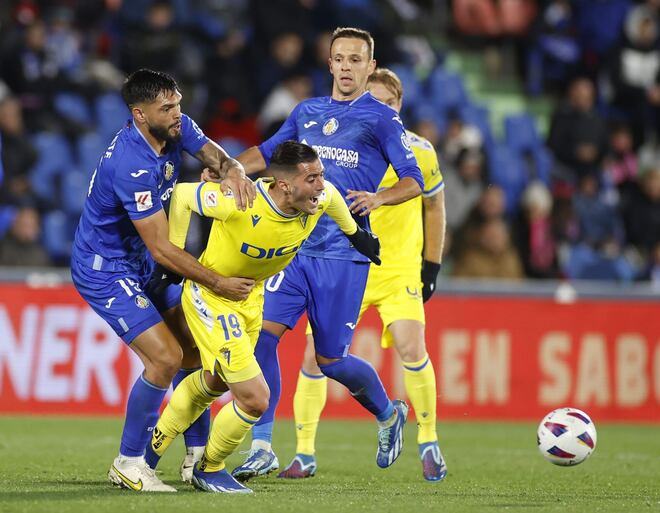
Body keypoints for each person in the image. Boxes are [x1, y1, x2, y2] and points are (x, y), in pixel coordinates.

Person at [235, 67, 447, 482]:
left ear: (398, 108)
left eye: (387, 104)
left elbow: (430, 199)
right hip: (302, 250)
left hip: (369, 262)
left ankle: (412, 429)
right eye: (373, 100)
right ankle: (270, 447)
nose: (377, 109)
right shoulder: (326, 129)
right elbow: (274, 155)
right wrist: (230, 168)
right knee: (265, 336)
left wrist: (431, 264)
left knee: (350, 356)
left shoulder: (416, 149)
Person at [142, 141, 381, 493]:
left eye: (321, 175)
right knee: (255, 398)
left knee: (216, 382)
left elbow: (334, 202)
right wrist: (173, 260)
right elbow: (181, 197)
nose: (320, 184)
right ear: (284, 185)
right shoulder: (240, 201)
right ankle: (209, 468)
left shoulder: (320, 198)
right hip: (213, 298)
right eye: (311, 177)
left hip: (250, 299)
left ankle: (148, 455)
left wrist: (357, 236)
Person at [70, 69, 256, 492]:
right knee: (165, 358)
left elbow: (211, 153)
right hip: (108, 268)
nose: (178, 114)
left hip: (143, 264)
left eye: (178, 103)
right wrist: (216, 282)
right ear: (139, 114)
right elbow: (161, 248)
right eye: (166, 108)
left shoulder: (175, 127)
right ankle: (129, 462)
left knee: (194, 345)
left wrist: (233, 170)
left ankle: (195, 457)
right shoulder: (131, 164)